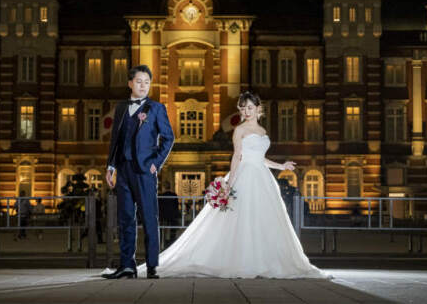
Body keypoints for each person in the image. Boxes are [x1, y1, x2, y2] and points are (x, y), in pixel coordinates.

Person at [120, 91, 328, 279]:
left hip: (262, 177)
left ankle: (264, 260)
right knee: (240, 220)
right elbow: (237, 157)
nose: (246, 111)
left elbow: (260, 158)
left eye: (249, 107)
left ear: (258, 108)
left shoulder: (262, 130)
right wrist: (230, 184)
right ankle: (241, 261)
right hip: (245, 175)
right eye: (243, 107)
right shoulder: (239, 130)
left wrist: (281, 165)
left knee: (264, 220)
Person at [102, 65, 175, 280]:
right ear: (130, 83)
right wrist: (111, 165)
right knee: (125, 218)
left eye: (147, 82)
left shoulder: (156, 108)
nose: (143, 85)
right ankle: (127, 265)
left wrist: (156, 163)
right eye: (139, 81)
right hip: (123, 170)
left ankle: (152, 266)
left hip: (144, 171)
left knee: (149, 218)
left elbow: (169, 138)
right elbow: (116, 139)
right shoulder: (121, 108)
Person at [158, 182, 180, 247]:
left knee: (161, 228)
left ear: (164, 187)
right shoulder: (174, 195)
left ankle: (162, 240)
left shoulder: (161, 196)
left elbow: (159, 206)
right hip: (172, 215)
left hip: (163, 215)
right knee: (173, 227)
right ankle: (172, 240)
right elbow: (176, 205)